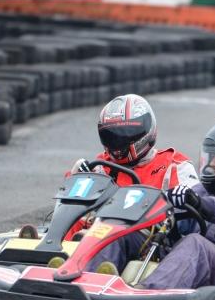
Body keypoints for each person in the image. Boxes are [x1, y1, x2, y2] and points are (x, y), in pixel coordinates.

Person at [89, 118, 215, 290]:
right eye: (211, 157)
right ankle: (88, 281)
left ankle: (147, 294)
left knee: (196, 244)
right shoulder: (208, 190)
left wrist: (203, 205)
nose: (213, 164)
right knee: (123, 228)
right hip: (187, 261)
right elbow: (172, 216)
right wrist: (157, 207)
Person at [62, 94, 199, 240]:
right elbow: (72, 207)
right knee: (72, 216)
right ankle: (50, 248)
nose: (117, 144)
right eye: (111, 137)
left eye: (123, 136)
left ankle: (87, 244)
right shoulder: (101, 166)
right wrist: (75, 176)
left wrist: (181, 196)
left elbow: (196, 203)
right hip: (95, 233)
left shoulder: (175, 165)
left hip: (148, 242)